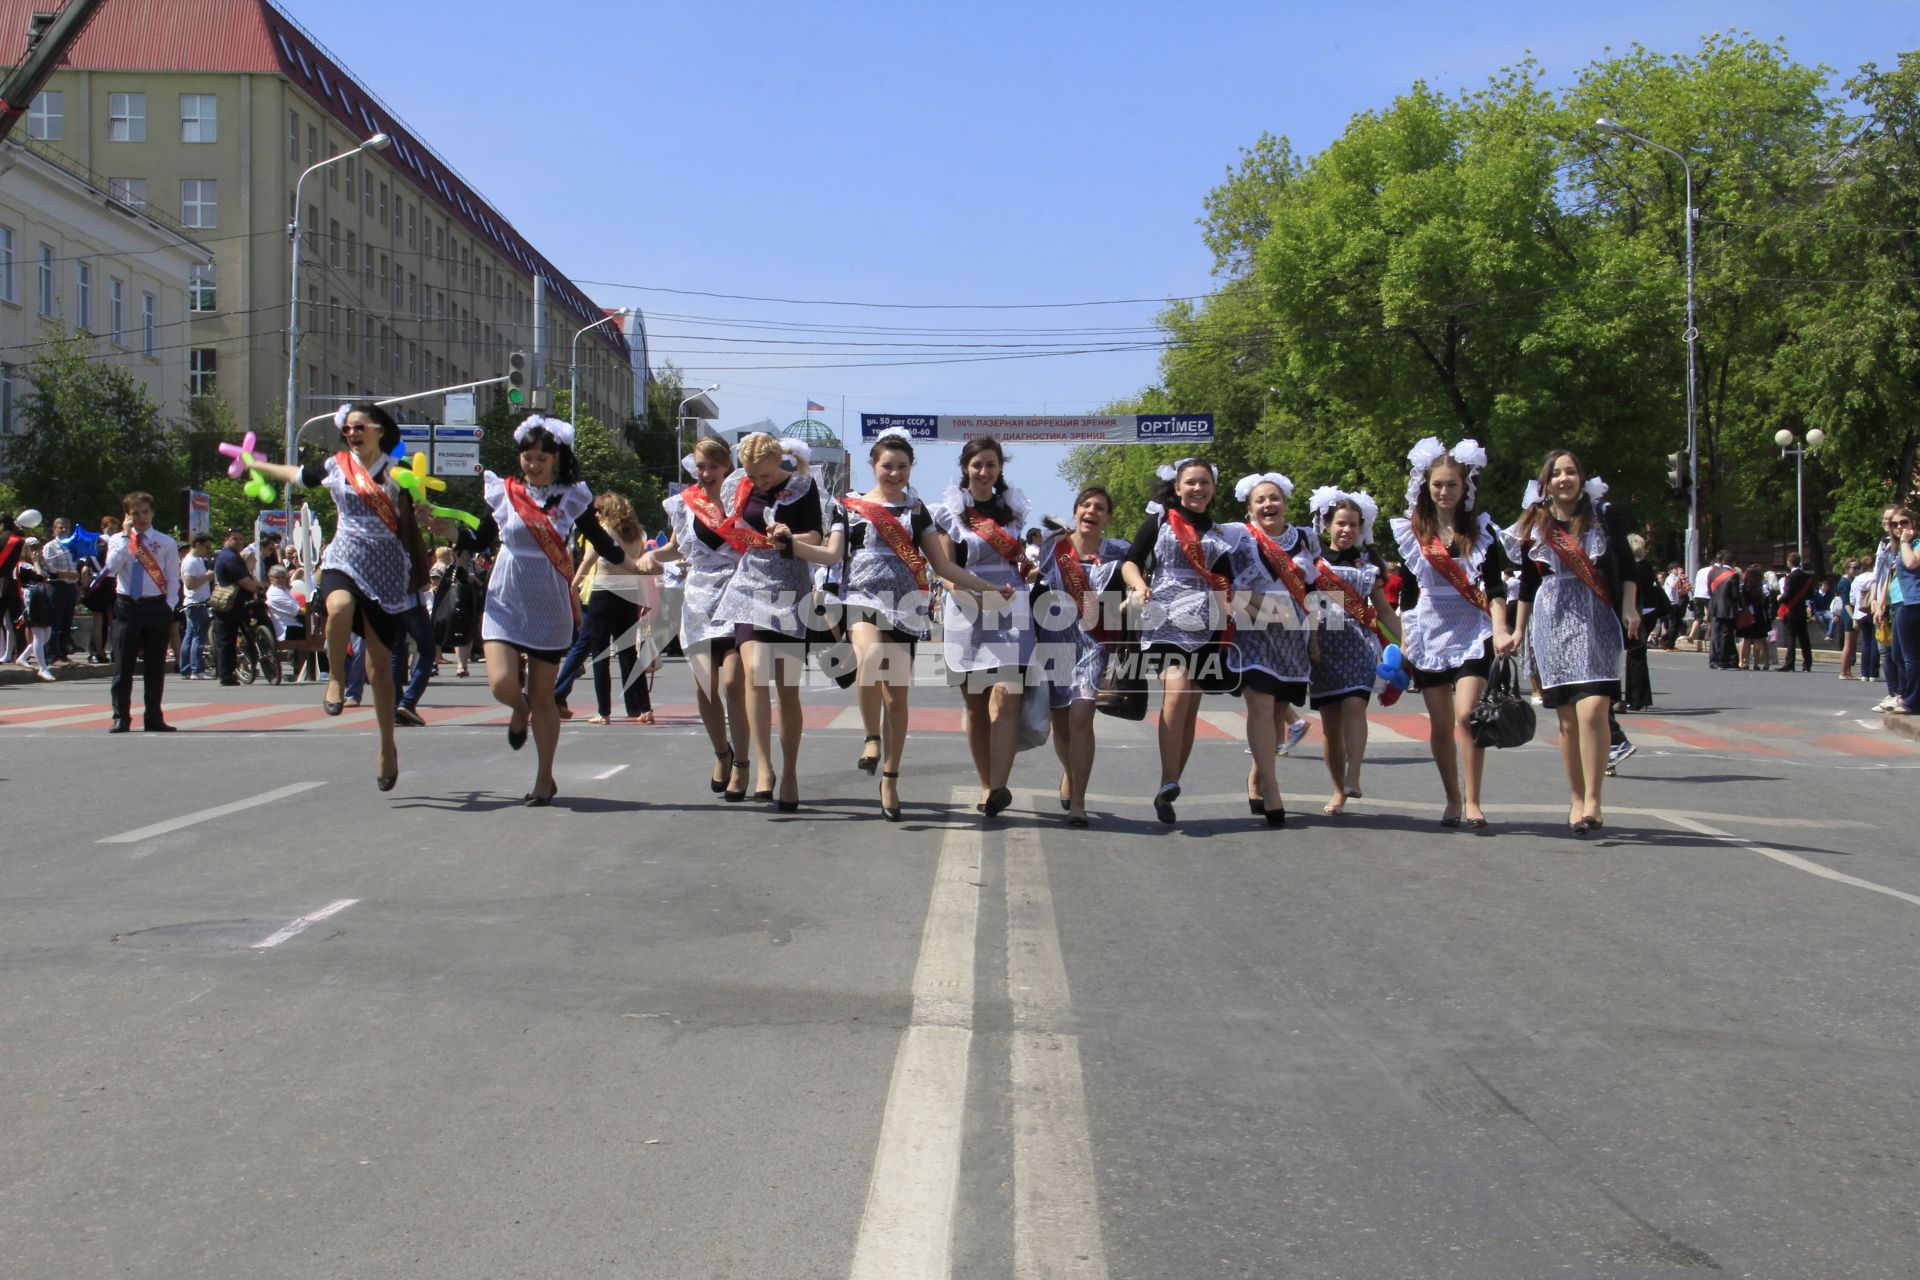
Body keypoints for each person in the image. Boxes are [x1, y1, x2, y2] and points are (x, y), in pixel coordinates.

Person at [810, 430, 1021, 820]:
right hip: (860, 596)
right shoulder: (849, 506)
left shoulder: (918, 510)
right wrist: (793, 546)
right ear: (874, 465)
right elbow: (831, 553)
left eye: (902, 467)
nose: (894, 473)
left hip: (905, 605)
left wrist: (986, 585)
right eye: (887, 465)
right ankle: (871, 738)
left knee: (898, 698)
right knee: (870, 658)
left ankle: (890, 777)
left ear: (910, 469)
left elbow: (943, 565)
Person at [247, 402, 438, 790]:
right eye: (348, 428)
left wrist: (424, 510)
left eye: (360, 427)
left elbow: (423, 511)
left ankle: (387, 745)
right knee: (339, 608)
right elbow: (297, 475)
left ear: (379, 431)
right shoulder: (336, 466)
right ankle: (334, 677)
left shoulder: (397, 475)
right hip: (344, 558)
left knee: (380, 668)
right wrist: (259, 464)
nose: (353, 434)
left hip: (386, 571)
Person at [471, 412, 626, 806]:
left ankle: (544, 778)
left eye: (542, 457)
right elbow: (479, 538)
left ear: (556, 457)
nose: (533, 463)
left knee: (544, 696)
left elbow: (598, 540)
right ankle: (518, 709)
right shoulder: (505, 491)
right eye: (528, 456)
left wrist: (633, 562)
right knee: (501, 683)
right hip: (507, 593)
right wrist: (446, 531)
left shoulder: (572, 496)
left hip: (549, 598)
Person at [1503, 453, 1636, 835]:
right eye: (1557, 473)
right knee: (1566, 720)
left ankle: (1594, 798)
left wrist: (1629, 608)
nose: (1565, 478)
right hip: (1551, 618)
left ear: (1581, 477)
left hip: (1596, 617)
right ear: (1546, 483)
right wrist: (1518, 631)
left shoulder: (1603, 517)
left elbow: (1627, 568)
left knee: (1594, 709)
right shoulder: (1536, 523)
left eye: (1571, 471)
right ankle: (1577, 797)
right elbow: (1528, 585)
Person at [1390, 437, 1512, 828]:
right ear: (1427, 486)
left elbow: (1495, 587)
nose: (1444, 491)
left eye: (1452, 485)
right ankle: (1452, 799)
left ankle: (1474, 800)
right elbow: (1409, 593)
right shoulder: (1414, 532)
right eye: (1437, 484)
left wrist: (1501, 627)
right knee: (1440, 724)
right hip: (1430, 629)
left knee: (1467, 717)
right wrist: (1407, 641)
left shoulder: (1481, 530)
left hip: (1472, 629)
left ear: (1466, 488)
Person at [1119, 456, 1244, 826]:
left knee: (1190, 704)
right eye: (1190, 482)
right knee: (1176, 690)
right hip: (1162, 617)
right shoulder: (1159, 522)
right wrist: (1139, 584)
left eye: (1204, 482)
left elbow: (1225, 586)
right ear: (1177, 487)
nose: (1197, 488)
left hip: (1205, 623)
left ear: (1213, 489)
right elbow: (1131, 561)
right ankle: (1169, 778)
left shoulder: (1222, 535)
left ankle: (1167, 785)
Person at [710, 433, 824, 812]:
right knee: (755, 672)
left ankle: (789, 771)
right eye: (752, 476)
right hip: (750, 584)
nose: (757, 482)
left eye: (763, 475)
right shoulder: (737, 486)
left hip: (790, 586)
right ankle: (763, 767)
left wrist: (790, 535)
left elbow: (817, 536)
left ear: (778, 462)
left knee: (787, 689)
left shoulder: (802, 488)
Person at [638, 437, 750, 800]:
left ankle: (744, 765)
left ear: (726, 468)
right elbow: (676, 547)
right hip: (700, 602)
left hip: (739, 596)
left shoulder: (743, 498)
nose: (705, 473)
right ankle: (722, 753)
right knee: (703, 686)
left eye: (712, 466)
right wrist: (652, 558)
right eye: (700, 466)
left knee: (733, 683)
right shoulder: (687, 505)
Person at [933, 436, 1036, 819]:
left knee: (1008, 696)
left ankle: (999, 785)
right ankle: (985, 782)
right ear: (966, 467)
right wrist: (975, 597)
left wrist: (1028, 570)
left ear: (1000, 468)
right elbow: (944, 571)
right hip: (967, 606)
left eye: (991, 464)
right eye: (977, 465)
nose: (984, 471)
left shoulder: (1014, 508)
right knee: (976, 706)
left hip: (1010, 604)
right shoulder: (949, 512)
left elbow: (1018, 560)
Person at [1034, 486, 1131, 828]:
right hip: (1056, 638)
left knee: (1081, 716)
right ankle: (1069, 772)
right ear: (1075, 510)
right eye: (1086, 505)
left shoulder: (1120, 551)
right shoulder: (1053, 547)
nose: (1092, 511)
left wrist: (1128, 601)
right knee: (1061, 726)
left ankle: (1078, 802)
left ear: (1107, 516)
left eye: (1100, 507)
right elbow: (1033, 578)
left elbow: (1137, 580)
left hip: (1095, 640)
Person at [1227, 471, 1318, 829]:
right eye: (1260, 500)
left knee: (1279, 712)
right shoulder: (1240, 540)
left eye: (1274, 498)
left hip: (1294, 634)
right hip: (1253, 631)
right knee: (1261, 707)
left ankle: (1258, 776)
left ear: (1285, 503)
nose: (1268, 504)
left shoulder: (1306, 539)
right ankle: (1274, 791)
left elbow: (1313, 592)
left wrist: (1313, 636)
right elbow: (1229, 589)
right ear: (1250, 509)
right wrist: (1266, 611)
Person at [1306, 488, 1399, 816]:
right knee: (1331, 727)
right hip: (1324, 645)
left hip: (1358, 644)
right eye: (1341, 523)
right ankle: (1337, 789)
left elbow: (1385, 611)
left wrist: (1403, 644)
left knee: (1355, 706)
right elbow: (1308, 607)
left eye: (1353, 525)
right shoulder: (1314, 564)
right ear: (1328, 525)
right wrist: (1311, 642)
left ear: (1362, 528)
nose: (1347, 530)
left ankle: (1354, 774)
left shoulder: (1367, 565)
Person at [561, 493, 657, 725]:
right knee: (628, 654)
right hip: (629, 597)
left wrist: (573, 587)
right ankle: (644, 708)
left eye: (599, 510)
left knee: (600, 655)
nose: (595, 515)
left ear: (607, 512)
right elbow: (640, 567)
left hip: (604, 595)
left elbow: (587, 562)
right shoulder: (636, 535)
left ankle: (603, 712)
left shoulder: (604, 532)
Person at [102, 491, 181, 732]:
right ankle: (121, 717)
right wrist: (127, 537)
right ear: (127, 516)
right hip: (127, 606)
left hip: (156, 606)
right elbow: (112, 568)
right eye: (135, 513)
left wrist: (168, 606)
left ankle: (154, 717)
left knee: (155, 667)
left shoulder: (165, 542)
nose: (142, 517)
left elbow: (172, 578)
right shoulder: (117, 540)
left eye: (145, 512)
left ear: (153, 512)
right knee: (123, 666)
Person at [208, 527, 257, 686]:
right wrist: (259, 589)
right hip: (230, 604)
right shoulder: (229, 557)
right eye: (234, 539)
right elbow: (244, 581)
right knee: (227, 639)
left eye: (241, 539)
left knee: (229, 638)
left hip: (233, 603)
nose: (238, 542)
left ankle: (230, 671)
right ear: (226, 540)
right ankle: (226, 674)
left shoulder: (231, 556)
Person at [1620, 533, 1659, 710]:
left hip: (1635, 611)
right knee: (1637, 654)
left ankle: (1635, 698)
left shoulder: (1631, 568)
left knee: (1634, 655)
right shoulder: (1645, 567)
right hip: (1647, 612)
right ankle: (1638, 697)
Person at [1887, 508, 1920, 714]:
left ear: (1913, 524)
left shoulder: (1914, 545)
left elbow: (1912, 563)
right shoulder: (1898, 547)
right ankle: (1905, 695)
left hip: (1915, 603)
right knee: (1898, 655)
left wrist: (1906, 541)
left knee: (1911, 657)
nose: (1900, 527)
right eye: (1895, 524)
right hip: (1903, 603)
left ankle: (1912, 700)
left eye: (1904, 522)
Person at [178, 534, 213, 678]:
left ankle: (186, 669)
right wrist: (207, 577)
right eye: (206, 547)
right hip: (196, 603)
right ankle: (197, 669)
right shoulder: (191, 561)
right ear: (198, 544)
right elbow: (190, 584)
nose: (208, 550)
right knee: (198, 636)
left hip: (197, 602)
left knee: (190, 635)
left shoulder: (198, 560)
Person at [1774, 551, 1816, 672]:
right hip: (1801, 610)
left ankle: (1790, 663)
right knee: (1804, 638)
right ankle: (1807, 664)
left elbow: (1786, 596)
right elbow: (1809, 594)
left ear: (1789, 563)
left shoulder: (1790, 578)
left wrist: (1779, 598)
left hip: (1790, 611)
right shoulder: (1807, 577)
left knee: (1791, 637)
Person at [1706, 550, 1741, 670]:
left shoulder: (1713, 572)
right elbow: (1736, 595)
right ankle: (1723, 660)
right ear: (1733, 562)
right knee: (1726, 635)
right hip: (1728, 608)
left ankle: (1715, 660)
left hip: (1715, 606)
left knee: (1715, 635)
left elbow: (1709, 591)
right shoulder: (1733, 574)